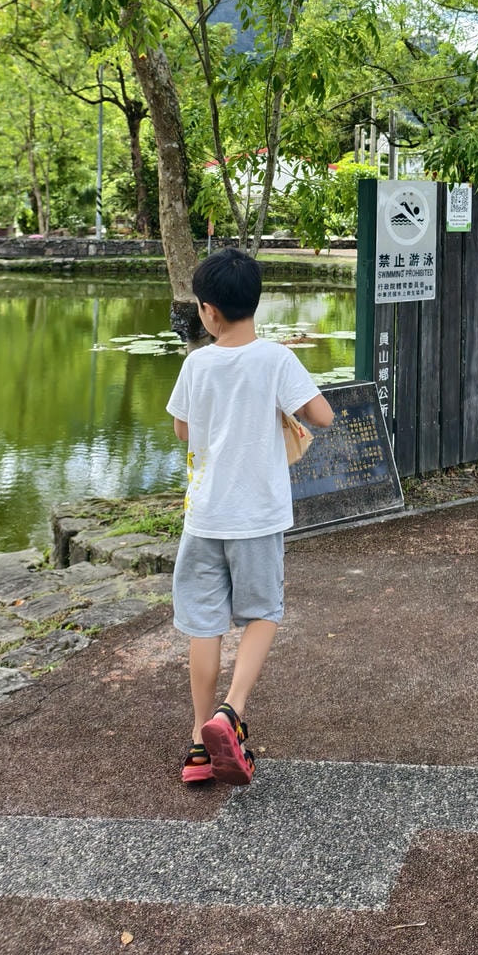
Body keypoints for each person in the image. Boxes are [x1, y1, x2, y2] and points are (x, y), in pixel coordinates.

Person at [167, 246, 335, 786]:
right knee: (263, 611)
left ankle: (198, 743)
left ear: (208, 310)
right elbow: (323, 416)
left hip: (204, 516)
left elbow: (182, 430)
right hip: (257, 517)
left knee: (203, 622)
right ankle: (231, 712)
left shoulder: (196, 362)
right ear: (254, 305)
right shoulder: (277, 358)